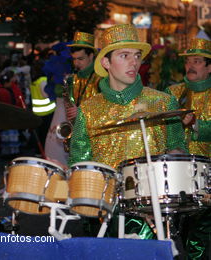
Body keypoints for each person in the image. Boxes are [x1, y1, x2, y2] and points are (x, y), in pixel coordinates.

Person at [68, 24, 187, 237]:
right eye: (124, 55)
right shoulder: (88, 109)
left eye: (137, 55)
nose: (134, 62)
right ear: (106, 62)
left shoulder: (164, 103)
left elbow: (178, 147)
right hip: (101, 213)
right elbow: (79, 162)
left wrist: (177, 157)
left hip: (150, 214)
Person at [165, 38, 211, 259]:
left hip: (207, 177)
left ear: (209, 67)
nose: (190, 66)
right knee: (175, 232)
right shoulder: (172, 93)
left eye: (197, 61)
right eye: (188, 61)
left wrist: (195, 125)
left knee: (200, 233)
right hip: (174, 176)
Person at [45, 32, 99, 165]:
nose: (76, 63)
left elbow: (108, 106)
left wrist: (82, 111)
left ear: (91, 55)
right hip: (78, 138)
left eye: (80, 59)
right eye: (74, 59)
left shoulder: (101, 78)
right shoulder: (74, 79)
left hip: (96, 139)